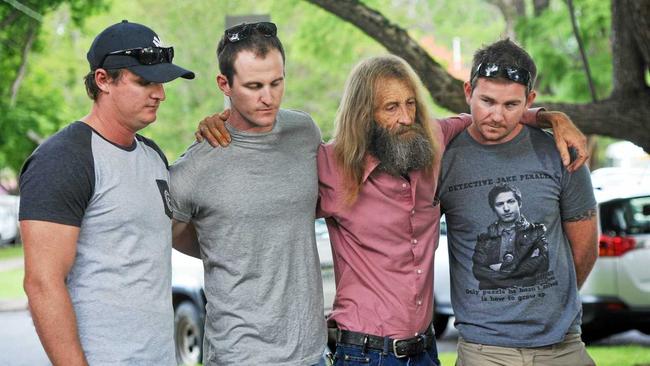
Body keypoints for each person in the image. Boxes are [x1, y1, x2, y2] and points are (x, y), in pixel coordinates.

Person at [198, 52, 587, 366]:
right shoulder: (329, 166)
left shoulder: (430, 139)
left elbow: (489, 117)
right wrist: (225, 122)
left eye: (410, 105)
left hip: (426, 349)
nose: (405, 118)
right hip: (364, 352)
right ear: (364, 114)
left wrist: (554, 118)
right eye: (390, 108)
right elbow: (264, 187)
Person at [18, 20, 194, 365]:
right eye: (144, 81)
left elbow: (171, 235)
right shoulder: (64, 159)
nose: (159, 93)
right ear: (103, 80)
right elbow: (42, 283)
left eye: (161, 82)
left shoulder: (153, 155)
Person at [169, 22, 327, 365]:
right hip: (239, 354)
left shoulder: (304, 132)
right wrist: (226, 247)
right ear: (224, 84)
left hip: (310, 352)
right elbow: (171, 234)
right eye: (253, 86)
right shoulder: (195, 166)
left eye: (276, 82)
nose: (268, 97)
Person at [438, 39, 598, 365]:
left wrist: (549, 302)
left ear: (530, 100)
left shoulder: (559, 153)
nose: (496, 115)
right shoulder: (444, 159)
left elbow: (585, 248)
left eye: (511, 105)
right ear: (468, 91)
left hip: (562, 344)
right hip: (484, 348)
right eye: (486, 101)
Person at [472, 183, 549, 290]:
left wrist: (501, 268)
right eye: (499, 204)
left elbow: (541, 264)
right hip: (492, 299)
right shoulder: (485, 237)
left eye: (511, 202)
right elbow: (478, 271)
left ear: (520, 203)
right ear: (493, 208)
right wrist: (519, 272)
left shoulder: (535, 232)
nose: (506, 208)